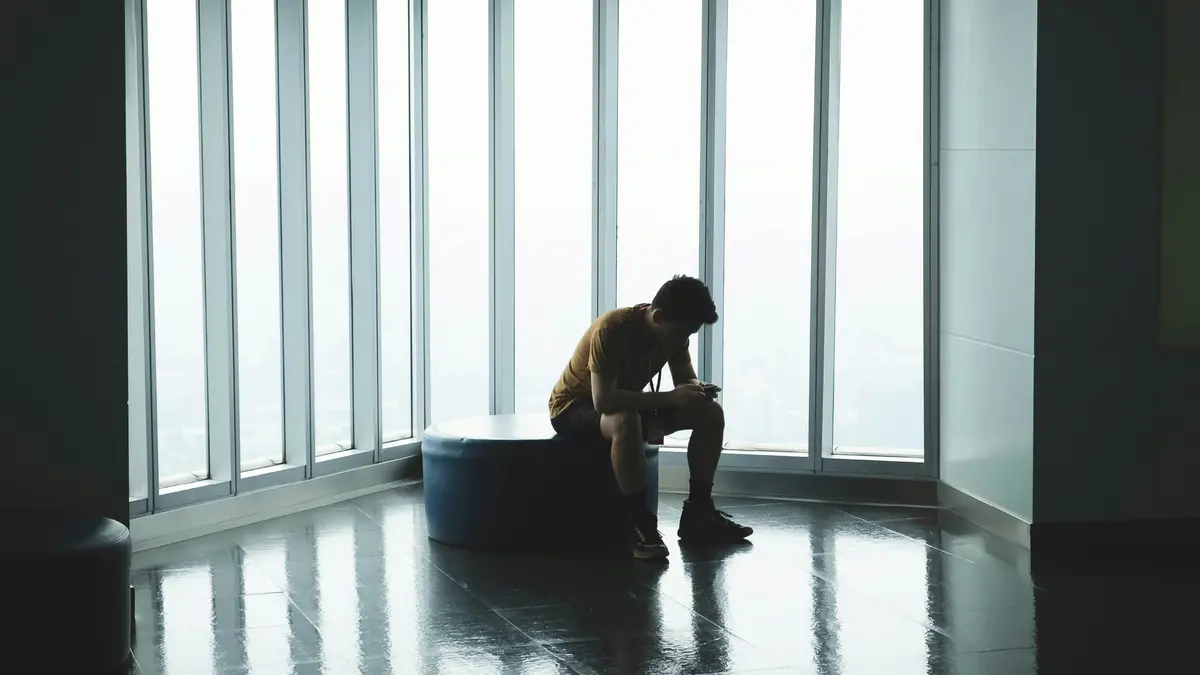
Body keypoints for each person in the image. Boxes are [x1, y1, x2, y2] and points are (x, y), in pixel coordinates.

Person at [548, 275, 753, 560]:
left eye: (689, 335)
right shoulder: (612, 330)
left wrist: (695, 389)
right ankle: (639, 522)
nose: (683, 340)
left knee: (710, 413)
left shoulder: (674, 333)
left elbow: (684, 377)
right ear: (657, 317)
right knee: (624, 420)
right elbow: (603, 400)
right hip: (575, 408)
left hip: (629, 403)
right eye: (681, 333)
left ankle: (699, 511)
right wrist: (670, 398)